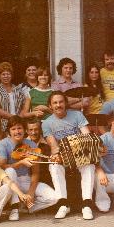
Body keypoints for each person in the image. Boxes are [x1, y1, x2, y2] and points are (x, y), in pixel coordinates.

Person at [42, 92, 96, 220]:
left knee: (89, 164)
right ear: (50, 106)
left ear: (65, 103)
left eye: (61, 102)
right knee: (54, 165)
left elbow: (87, 137)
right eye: (55, 103)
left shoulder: (77, 115)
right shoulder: (47, 123)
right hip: (62, 154)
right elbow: (53, 146)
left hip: (79, 153)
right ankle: (63, 204)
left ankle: (87, 204)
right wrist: (58, 155)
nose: (58, 105)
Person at [0, 116, 58, 220]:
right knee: (10, 171)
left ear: (24, 130)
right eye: (13, 129)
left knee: (53, 198)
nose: (17, 131)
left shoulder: (31, 144)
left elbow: (35, 173)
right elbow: (1, 166)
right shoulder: (3, 143)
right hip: (8, 181)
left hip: (26, 179)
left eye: (19, 128)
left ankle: (27, 207)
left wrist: (31, 192)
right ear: (9, 131)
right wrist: (20, 163)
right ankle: (14, 208)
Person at [0, 62, 27, 131]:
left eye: (8, 74)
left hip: (19, 124)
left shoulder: (18, 89)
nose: (6, 76)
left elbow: (24, 107)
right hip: (3, 126)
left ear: (12, 75)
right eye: (3, 74)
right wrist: (14, 118)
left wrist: (19, 119)